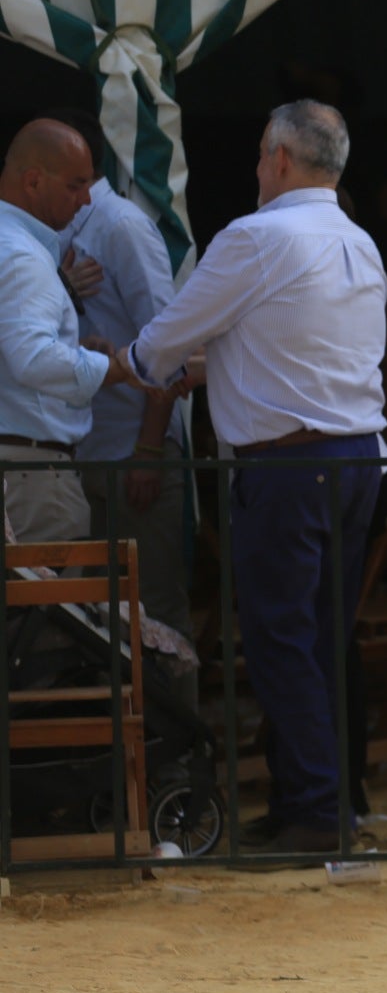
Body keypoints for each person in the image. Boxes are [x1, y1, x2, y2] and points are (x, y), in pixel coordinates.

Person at [117, 99, 387, 857]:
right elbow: (290, 347)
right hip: (356, 455)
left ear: (277, 160)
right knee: (321, 639)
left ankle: (315, 813)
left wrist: (135, 364)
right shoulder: (359, 243)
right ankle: (321, 803)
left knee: (280, 639)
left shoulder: (256, 237)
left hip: (289, 465)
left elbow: (166, 338)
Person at [42, 109, 193, 641]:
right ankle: (121, 728)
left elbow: (167, 347)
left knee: (152, 617)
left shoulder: (121, 226)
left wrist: (150, 449)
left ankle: (173, 727)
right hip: (92, 454)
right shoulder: (59, 237)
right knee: (97, 625)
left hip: (133, 453)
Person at [0, 119, 141, 542]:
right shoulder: (22, 256)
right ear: (32, 181)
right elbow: (34, 359)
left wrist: (74, 347)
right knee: (54, 608)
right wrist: (114, 367)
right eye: (76, 185)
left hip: (22, 470)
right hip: (33, 476)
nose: (85, 201)